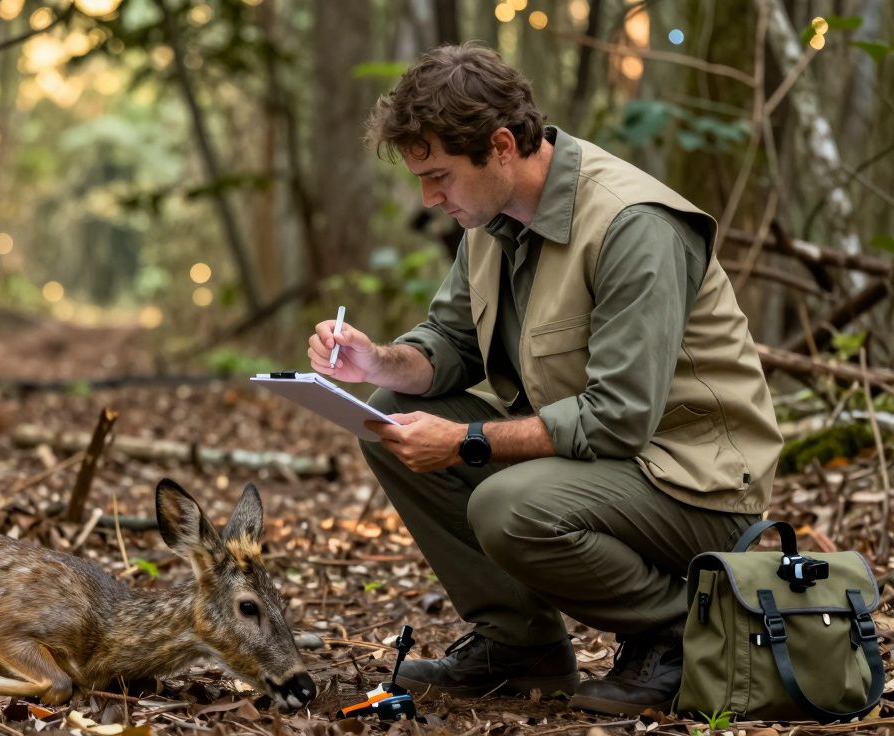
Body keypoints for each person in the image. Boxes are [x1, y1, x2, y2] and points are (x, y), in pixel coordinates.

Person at [307, 43, 782, 716]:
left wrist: (468, 439)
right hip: (611, 470)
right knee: (388, 414)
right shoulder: (489, 220)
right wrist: (375, 360)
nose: (429, 196)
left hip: (698, 488)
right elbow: (448, 342)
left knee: (509, 506)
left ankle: (684, 632)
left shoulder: (631, 225)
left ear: (501, 145)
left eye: (439, 174)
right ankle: (518, 645)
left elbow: (618, 419)